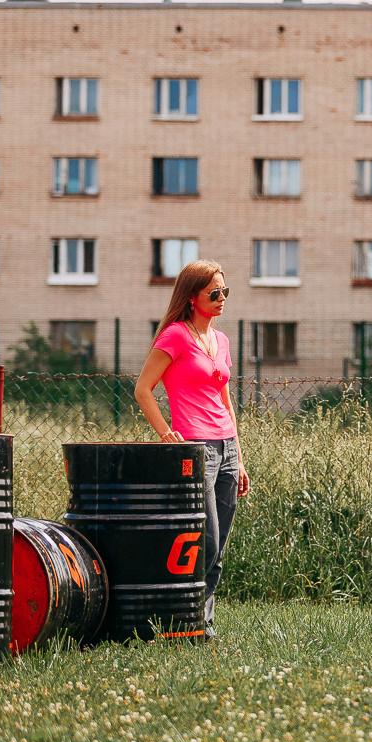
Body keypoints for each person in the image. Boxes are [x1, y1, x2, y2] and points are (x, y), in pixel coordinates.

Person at [134, 259, 249, 640]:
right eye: (213, 294)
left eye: (224, 292)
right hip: (196, 448)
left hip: (227, 447)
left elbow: (225, 399)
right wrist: (166, 432)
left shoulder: (222, 341)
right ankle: (182, 621)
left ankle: (203, 626)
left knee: (219, 551)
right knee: (207, 542)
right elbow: (143, 389)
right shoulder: (175, 336)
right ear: (191, 298)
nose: (221, 299)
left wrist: (240, 457)